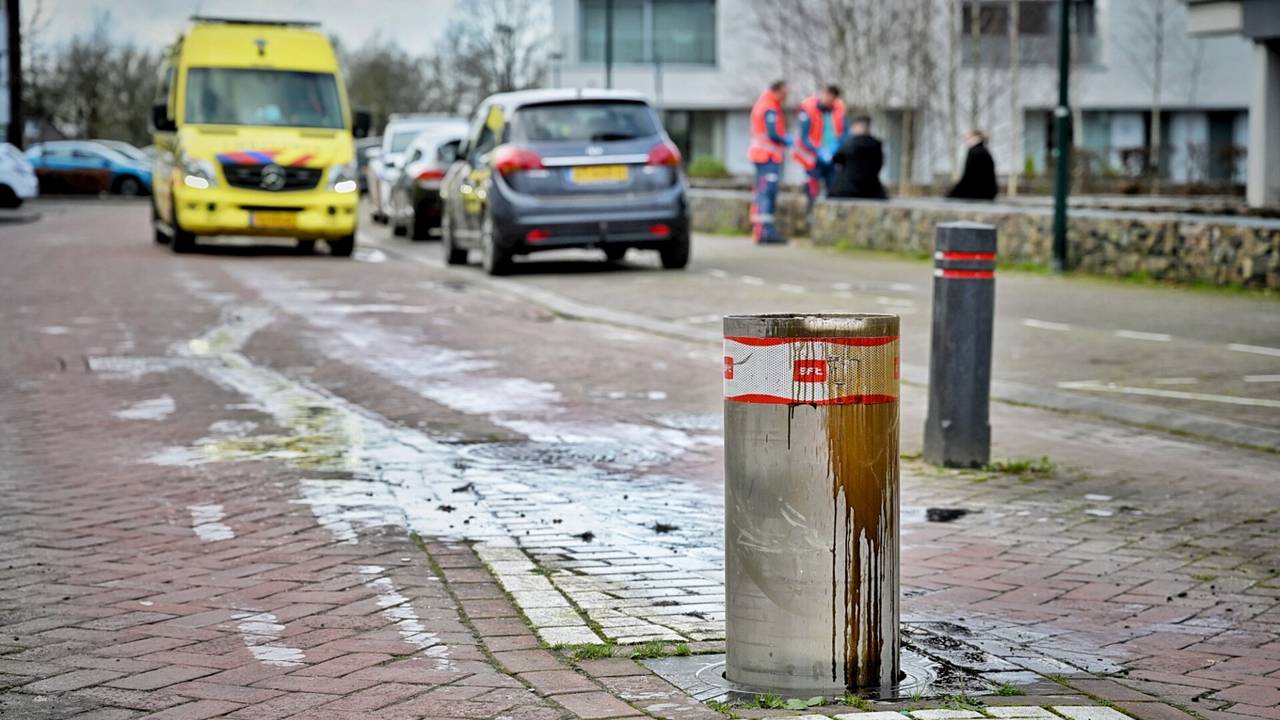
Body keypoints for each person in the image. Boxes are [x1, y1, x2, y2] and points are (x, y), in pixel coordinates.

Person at [747, 80, 791, 244]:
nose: (787, 96)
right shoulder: (769, 107)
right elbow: (773, 134)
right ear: (778, 90)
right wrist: (787, 141)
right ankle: (765, 233)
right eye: (785, 92)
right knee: (767, 193)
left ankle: (763, 231)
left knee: (763, 193)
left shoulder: (765, 104)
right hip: (766, 157)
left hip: (763, 156)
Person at [793, 84, 848, 212]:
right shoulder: (807, 109)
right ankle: (810, 217)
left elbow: (844, 132)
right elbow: (804, 137)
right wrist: (819, 151)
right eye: (827, 95)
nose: (829, 99)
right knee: (812, 190)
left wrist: (836, 147)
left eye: (832, 97)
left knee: (833, 188)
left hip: (832, 157)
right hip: (813, 158)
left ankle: (830, 219)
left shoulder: (838, 109)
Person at [830, 115, 887, 200]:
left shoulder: (850, 144)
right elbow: (880, 164)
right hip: (872, 190)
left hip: (847, 190)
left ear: (859, 127)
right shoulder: (876, 145)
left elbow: (836, 160)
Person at [947, 129, 999, 200]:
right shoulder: (985, 151)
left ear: (977, 138)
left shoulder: (973, 151)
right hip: (989, 192)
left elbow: (968, 176)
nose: (966, 141)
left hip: (977, 192)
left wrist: (952, 192)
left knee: (950, 197)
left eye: (968, 138)